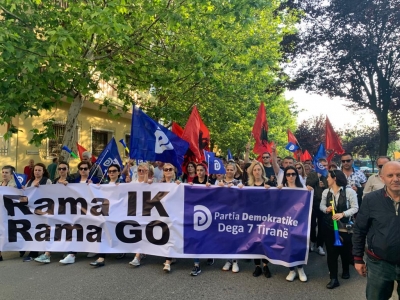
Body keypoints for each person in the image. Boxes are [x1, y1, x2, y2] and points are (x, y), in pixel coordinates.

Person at [352, 161, 400, 299]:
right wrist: (357, 258)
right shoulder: (371, 200)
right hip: (379, 264)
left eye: (399, 175)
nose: (395, 179)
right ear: (382, 178)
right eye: (390, 175)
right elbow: (360, 230)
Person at [320, 170, 358, 289]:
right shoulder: (326, 192)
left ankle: (346, 270)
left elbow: (355, 208)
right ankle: (334, 278)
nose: (327, 179)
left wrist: (343, 214)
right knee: (331, 253)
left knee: (345, 251)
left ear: (334, 178)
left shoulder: (349, 191)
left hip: (345, 228)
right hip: (330, 227)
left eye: (328, 177)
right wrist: (326, 209)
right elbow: (321, 205)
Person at [278, 166, 313, 282]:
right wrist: (276, 190)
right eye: (288, 174)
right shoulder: (282, 188)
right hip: (285, 222)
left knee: (298, 243)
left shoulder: (302, 189)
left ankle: (300, 269)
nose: (291, 176)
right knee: (287, 245)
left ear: (296, 176)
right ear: (285, 176)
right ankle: (291, 270)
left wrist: (309, 190)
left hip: (298, 222)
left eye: (293, 174)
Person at [90, 164, 124, 267]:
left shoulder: (123, 183)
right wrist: (91, 185)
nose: (112, 173)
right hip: (106, 212)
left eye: (114, 171)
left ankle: (121, 249)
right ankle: (101, 257)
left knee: (118, 231)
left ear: (119, 172)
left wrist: (122, 188)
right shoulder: (103, 183)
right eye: (110, 171)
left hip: (119, 212)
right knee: (103, 231)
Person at [245, 161, 272, 278]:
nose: (257, 172)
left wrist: (271, 190)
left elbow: (276, 199)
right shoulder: (248, 185)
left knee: (265, 241)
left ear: (262, 171)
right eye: (255, 170)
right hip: (252, 218)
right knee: (255, 241)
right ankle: (257, 266)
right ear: (252, 172)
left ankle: (266, 264)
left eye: (259, 169)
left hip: (265, 217)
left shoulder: (269, 184)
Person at [24, 163, 52, 263]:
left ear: (43, 171)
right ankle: (33, 252)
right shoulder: (30, 181)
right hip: (32, 210)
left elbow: (51, 194)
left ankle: (46, 252)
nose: (37, 172)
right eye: (35, 170)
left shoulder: (47, 181)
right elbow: (26, 194)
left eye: (39, 170)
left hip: (44, 210)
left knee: (44, 230)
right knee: (34, 230)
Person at [306, 158, 328, 256]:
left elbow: (331, 188)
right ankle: (313, 241)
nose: (324, 167)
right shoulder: (311, 174)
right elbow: (307, 185)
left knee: (322, 225)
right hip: (312, 203)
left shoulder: (328, 175)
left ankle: (320, 245)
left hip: (323, 203)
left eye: (325, 165)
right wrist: (316, 178)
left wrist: (324, 186)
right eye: (322, 165)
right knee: (312, 225)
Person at [160, 163, 180, 272]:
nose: (168, 171)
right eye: (166, 169)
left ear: (174, 171)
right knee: (164, 235)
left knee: (171, 235)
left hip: (174, 214)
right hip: (161, 214)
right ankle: (169, 257)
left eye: (170, 169)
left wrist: (180, 185)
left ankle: (168, 261)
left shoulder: (177, 183)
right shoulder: (158, 184)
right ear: (163, 171)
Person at [0, 165, 18, 261]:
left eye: (6, 172)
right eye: (3, 172)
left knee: (12, 232)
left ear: (11, 174)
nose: (4, 174)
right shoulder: (0, 184)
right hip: (1, 213)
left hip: (11, 212)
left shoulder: (14, 185)